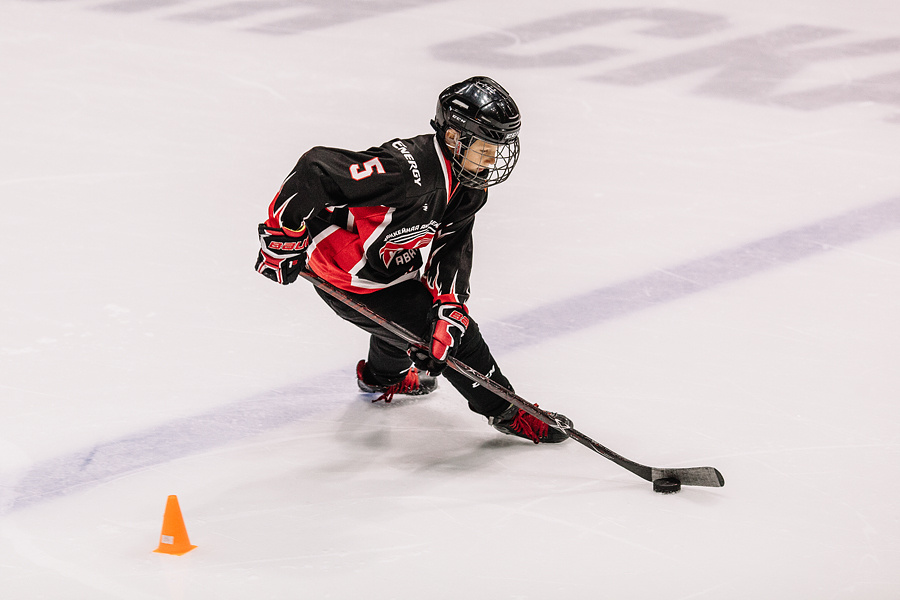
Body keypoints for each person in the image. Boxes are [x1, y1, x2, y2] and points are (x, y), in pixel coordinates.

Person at [255, 76, 571, 444]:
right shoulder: (408, 171)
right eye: (485, 146)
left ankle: (380, 378)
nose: (492, 159)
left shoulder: (469, 184)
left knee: (422, 322)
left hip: (386, 263)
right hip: (342, 269)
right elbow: (316, 169)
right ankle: (509, 412)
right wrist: (283, 236)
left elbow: (451, 245)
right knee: (455, 337)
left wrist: (449, 305)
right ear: (454, 138)